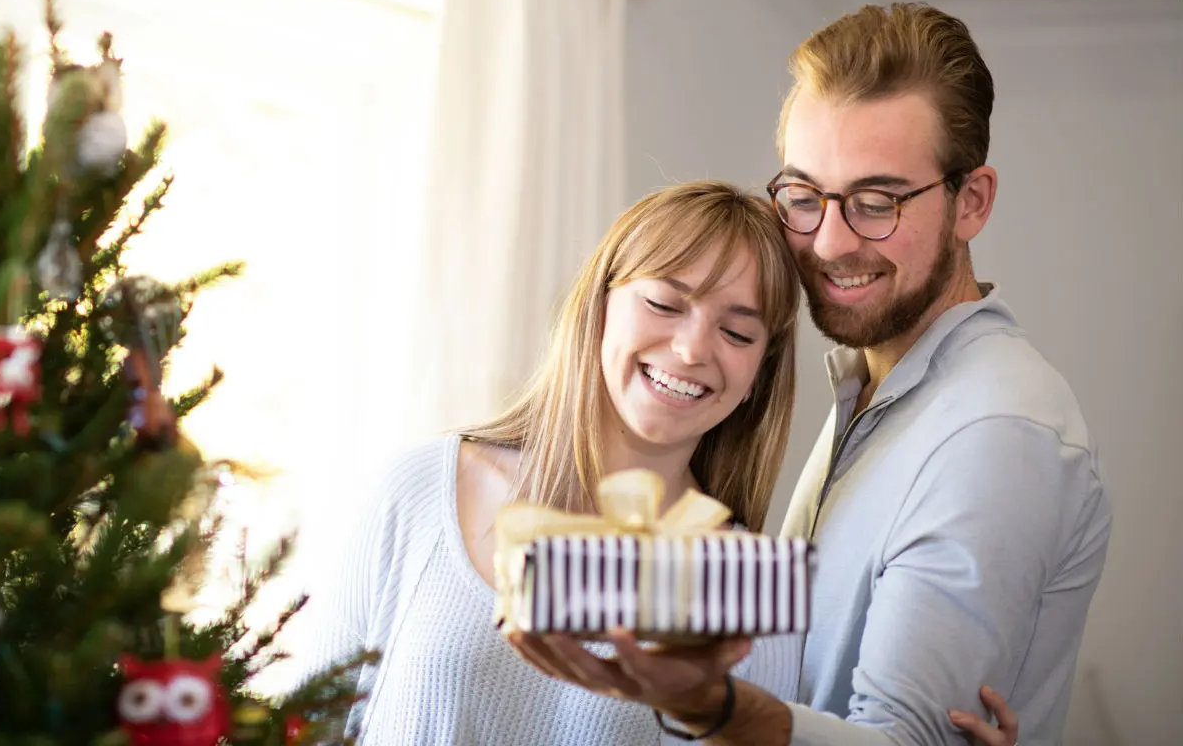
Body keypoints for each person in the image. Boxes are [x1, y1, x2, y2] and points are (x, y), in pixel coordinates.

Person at [510, 2, 1109, 746]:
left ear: (971, 203)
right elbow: (797, 626)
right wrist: (541, 573)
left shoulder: (995, 432)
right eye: (803, 196)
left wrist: (714, 708)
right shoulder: (873, 386)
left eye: (876, 202)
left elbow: (900, 740)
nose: (827, 242)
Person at [286, 180, 1011, 745]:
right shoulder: (422, 487)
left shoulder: (744, 585)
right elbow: (303, 728)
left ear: (758, 370)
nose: (694, 349)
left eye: (736, 330)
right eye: (666, 303)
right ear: (599, 306)